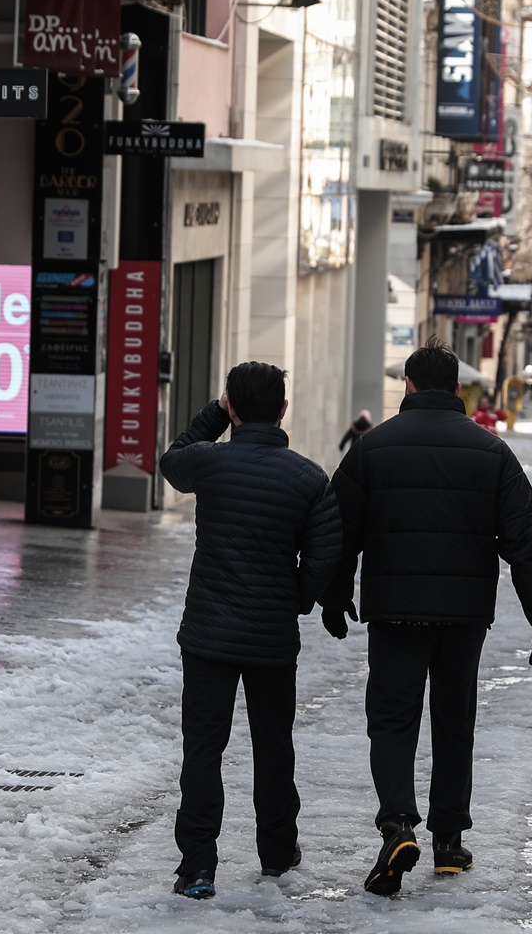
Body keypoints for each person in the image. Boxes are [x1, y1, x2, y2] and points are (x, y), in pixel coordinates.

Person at [320, 341, 532, 897]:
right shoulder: (491, 452)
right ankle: (449, 840)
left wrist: (332, 595)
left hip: (394, 613)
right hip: (462, 616)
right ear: (457, 389)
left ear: (407, 385)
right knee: (454, 721)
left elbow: (339, 531)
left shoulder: (371, 448)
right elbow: (527, 540)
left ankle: (397, 825)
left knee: (391, 720)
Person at [158, 362, 344, 900]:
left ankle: (197, 867)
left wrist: (216, 413)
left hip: (209, 635)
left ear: (233, 409)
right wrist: (297, 597)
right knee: (273, 746)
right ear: (283, 410)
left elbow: (172, 460)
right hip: (271, 637)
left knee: (203, 750)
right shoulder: (309, 478)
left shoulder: (210, 465)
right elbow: (325, 553)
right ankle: (277, 853)